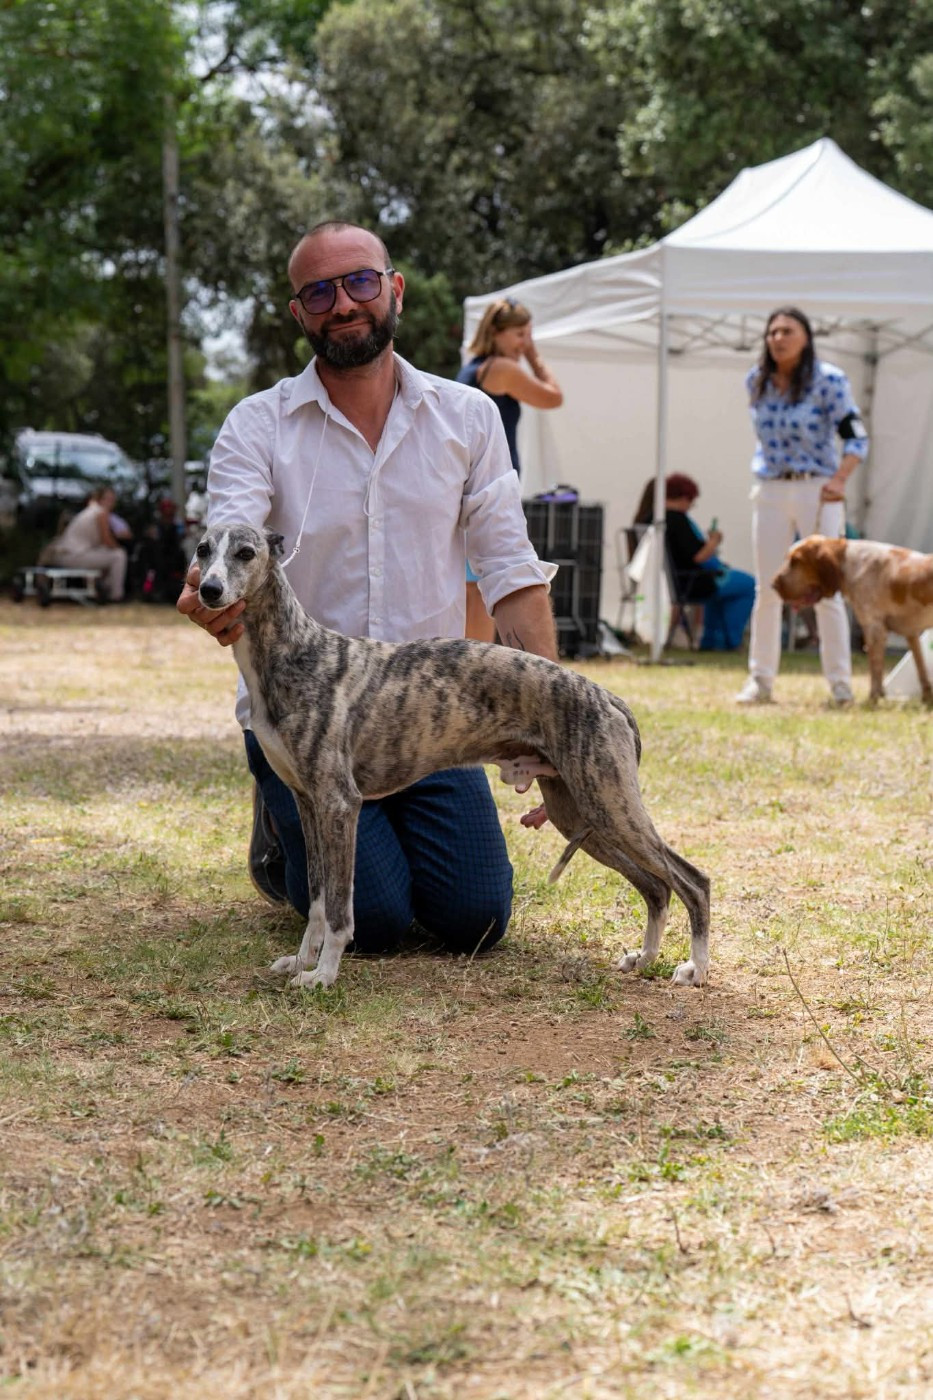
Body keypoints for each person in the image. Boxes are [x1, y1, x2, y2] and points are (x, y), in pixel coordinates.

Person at [177, 219, 557, 963]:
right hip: (307, 721)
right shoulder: (257, 425)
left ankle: (329, 838)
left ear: (394, 291)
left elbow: (510, 570)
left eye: (358, 282)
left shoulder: (468, 417)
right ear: (298, 313)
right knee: (376, 927)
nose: (342, 303)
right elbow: (229, 534)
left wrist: (548, 722)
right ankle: (283, 831)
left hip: (427, 724)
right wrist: (208, 594)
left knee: (476, 920)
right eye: (318, 291)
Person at [737, 307, 870, 705]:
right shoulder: (756, 381)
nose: (778, 338)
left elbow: (856, 436)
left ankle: (840, 685)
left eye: (787, 331)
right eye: (772, 331)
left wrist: (840, 479)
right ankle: (760, 681)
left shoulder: (828, 381)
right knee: (769, 587)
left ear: (806, 337)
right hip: (772, 488)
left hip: (819, 488)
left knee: (827, 587)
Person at [456, 297, 563, 641]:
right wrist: (534, 358)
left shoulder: (472, 368)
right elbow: (553, 397)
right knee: (485, 589)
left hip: (465, 483)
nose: (524, 342)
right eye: (520, 334)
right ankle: (478, 673)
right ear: (497, 333)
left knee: (472, 589)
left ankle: (470, 668)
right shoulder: (502, 369)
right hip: (488, 486)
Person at [663, 473, 755, 651]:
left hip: (677, 581)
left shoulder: (657, 518)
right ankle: (729, 640)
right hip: (693, 582)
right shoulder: (678, 520)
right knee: (749, 584)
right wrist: (714, 541)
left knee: (725, 590)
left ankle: (713, 639)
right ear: (684, 498)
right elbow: (698, 556)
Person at [46, 485, 127, 601]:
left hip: (64, 554)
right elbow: (107, 540)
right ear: (100, 500)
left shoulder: (89, 511)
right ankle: (115, 594)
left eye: (112, 499)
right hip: (74, 556)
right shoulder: (101, 513)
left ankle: (102, 588)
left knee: (106, 553)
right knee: (119, 555)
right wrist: (119, 547)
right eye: (108, 499)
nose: (111, 502)